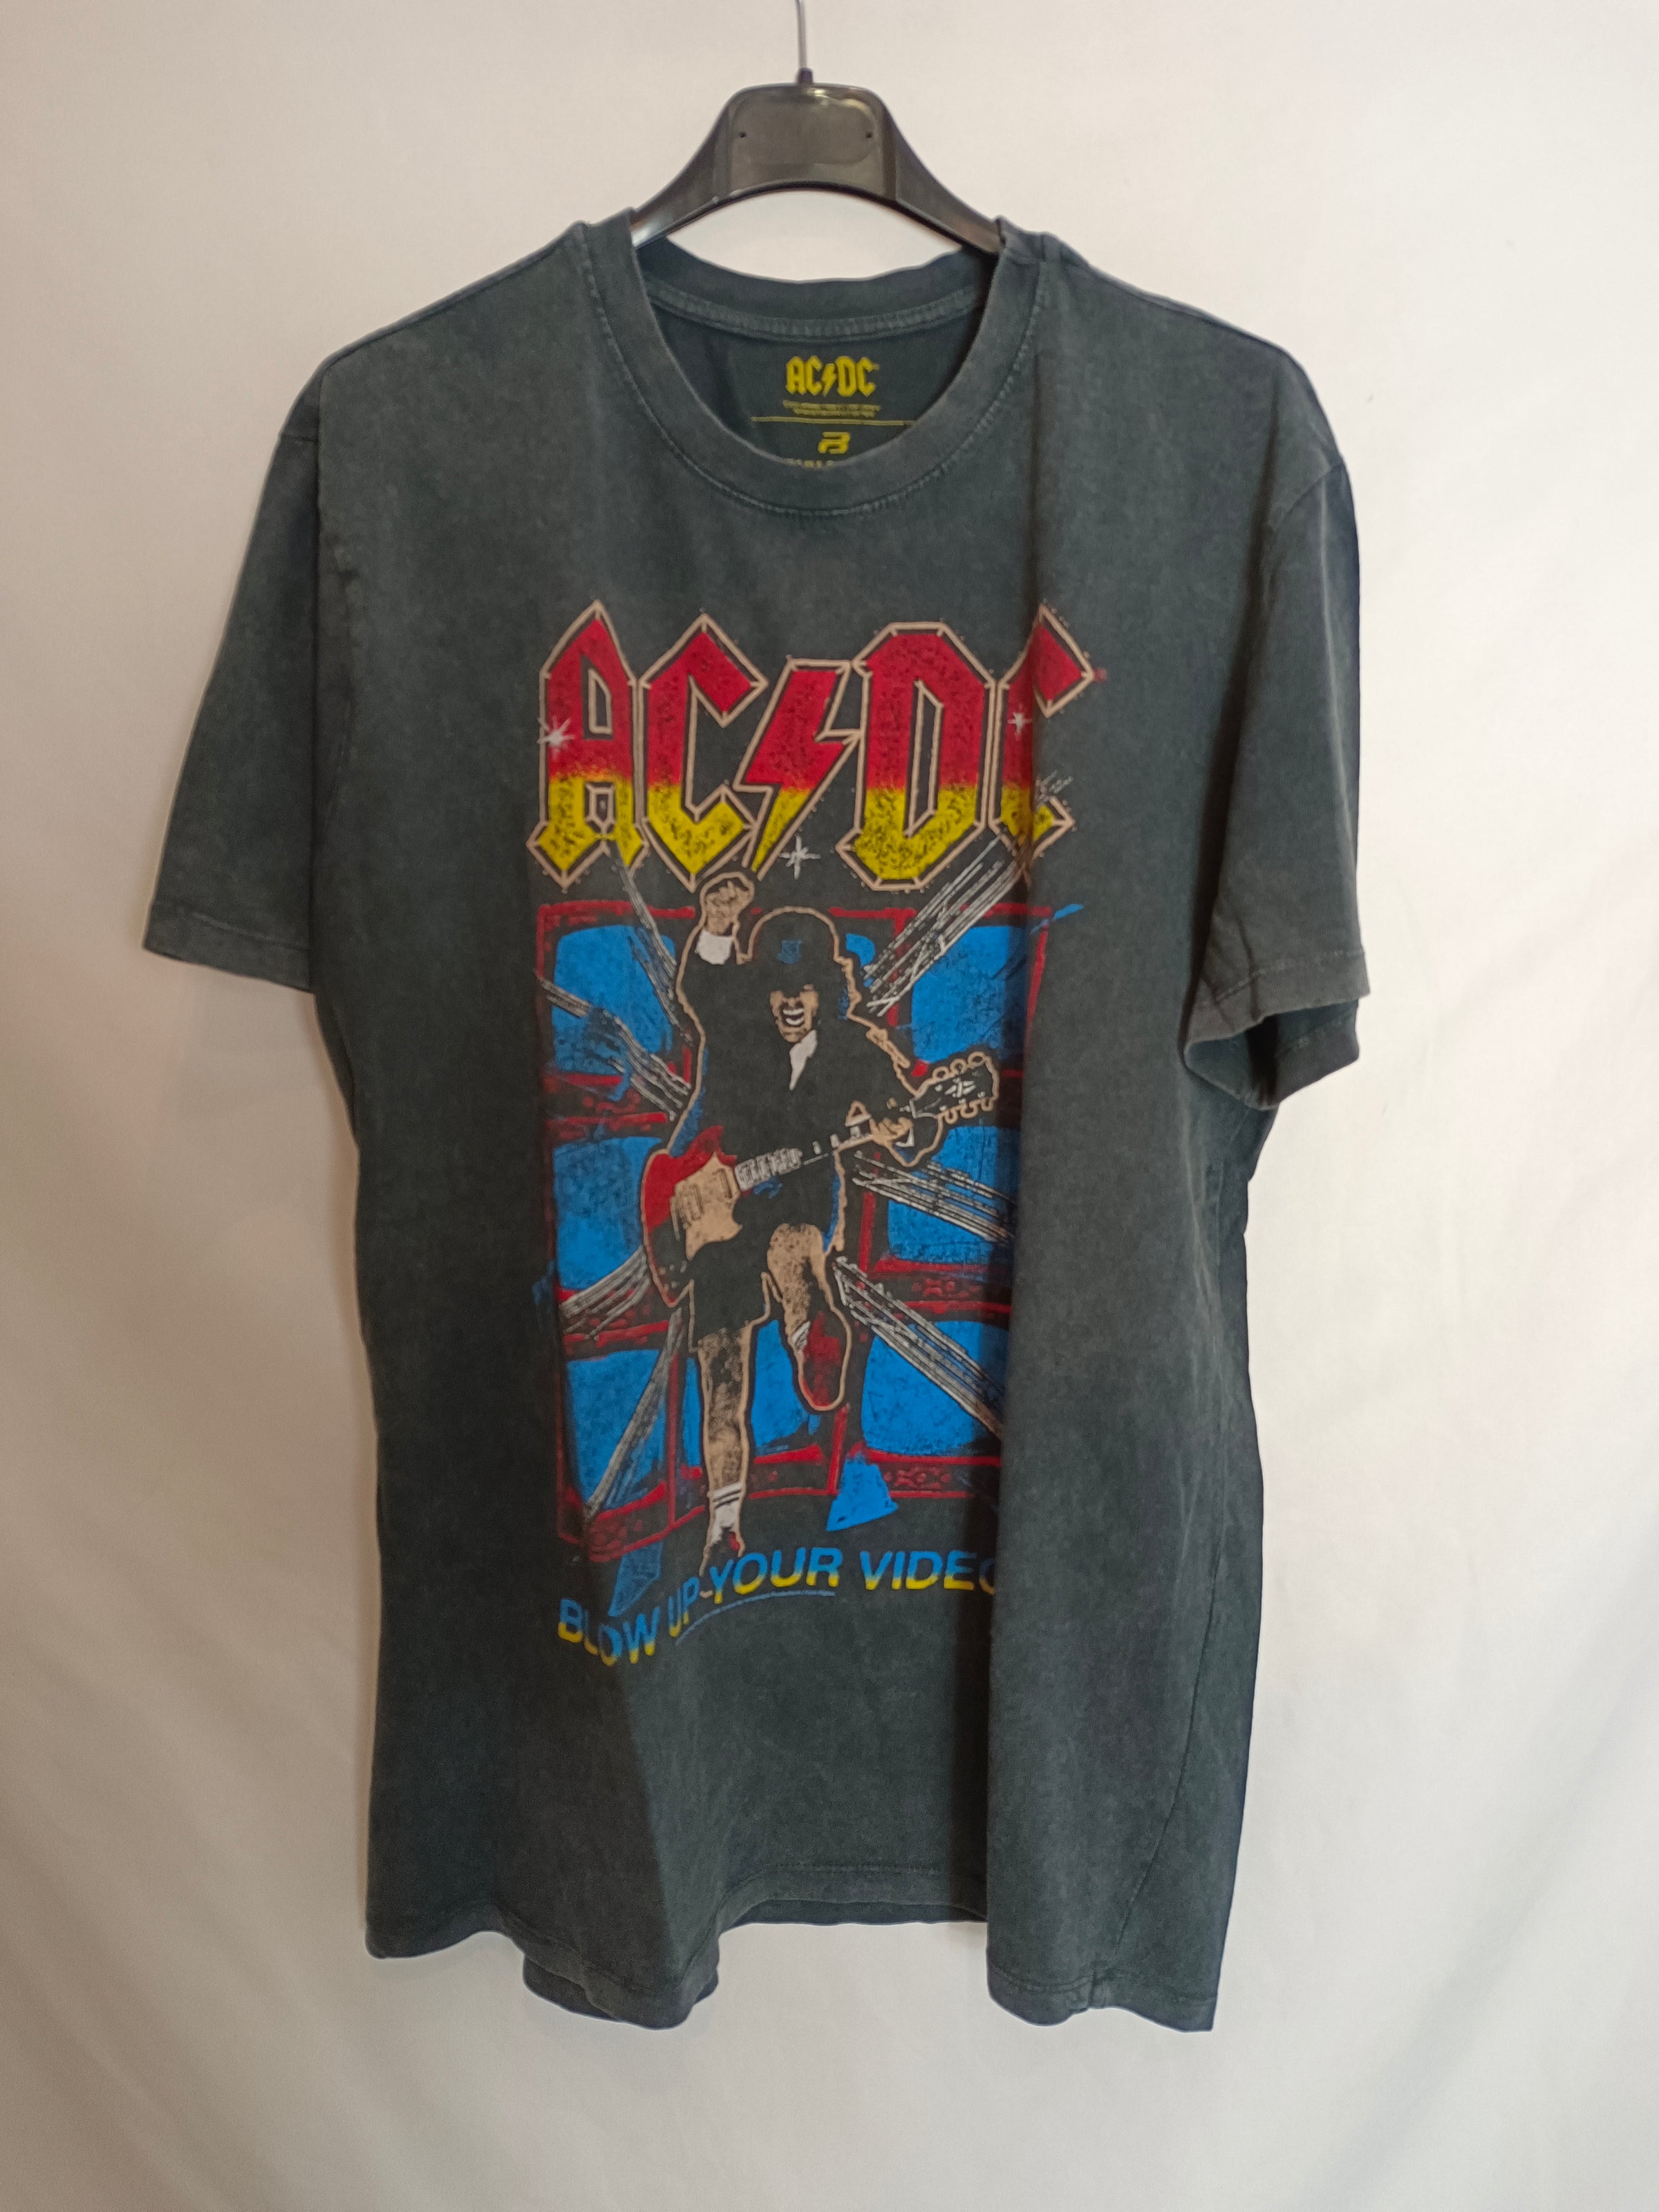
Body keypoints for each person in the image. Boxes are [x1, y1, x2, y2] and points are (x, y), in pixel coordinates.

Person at [664, 870, 941, 1571]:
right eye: (779, 989)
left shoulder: (854, 1049)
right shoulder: (736, 1031)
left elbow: (908, 1129)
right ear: (762, 991)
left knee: (795, 1247)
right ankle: (723, 1526)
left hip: (799, 1198)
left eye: (807, 988)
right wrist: (718, 924)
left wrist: (905, 1126)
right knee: (722, 1373)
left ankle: (811, 1331)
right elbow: (702, 987)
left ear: (826, 989)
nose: (792, 1002)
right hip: (713, 1206)